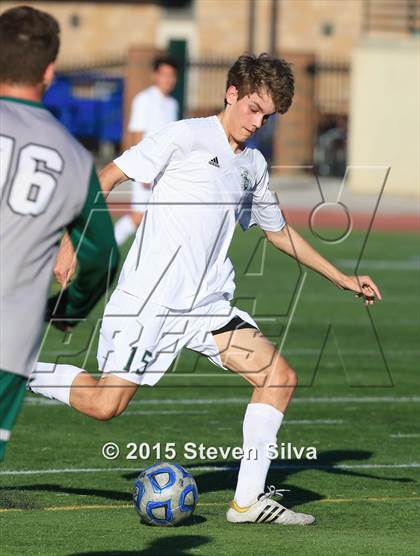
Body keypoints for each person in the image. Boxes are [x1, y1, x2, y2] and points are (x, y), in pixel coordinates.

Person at [28, 53, 382, 524]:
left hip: (207, 306)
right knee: (104, 405)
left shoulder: (253, 164)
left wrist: (342, 277)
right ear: (231, 93)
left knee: (278, 378)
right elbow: (105, 178)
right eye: (254, 108)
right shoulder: (186, 136)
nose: (259, 122)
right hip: (151, 303)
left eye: (269, 116)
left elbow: (276, 231)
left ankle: (247, 502)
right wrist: (69, 239)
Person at [0, 6, 119, 460]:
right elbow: (102, 257)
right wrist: (66, 311)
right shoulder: (71, 157)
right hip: (9, 341)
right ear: (49, 73)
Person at [113, 55, 179, 246]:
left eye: (172, 75)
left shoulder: (172, 104)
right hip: (147, 169)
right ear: (154, 76)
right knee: (138, 216)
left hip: (165, 172)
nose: (168, 79)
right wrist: (141, 171)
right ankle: (106, 249)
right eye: (164, 75)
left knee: (160, 219)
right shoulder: (144, 99)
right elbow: (136, 135)